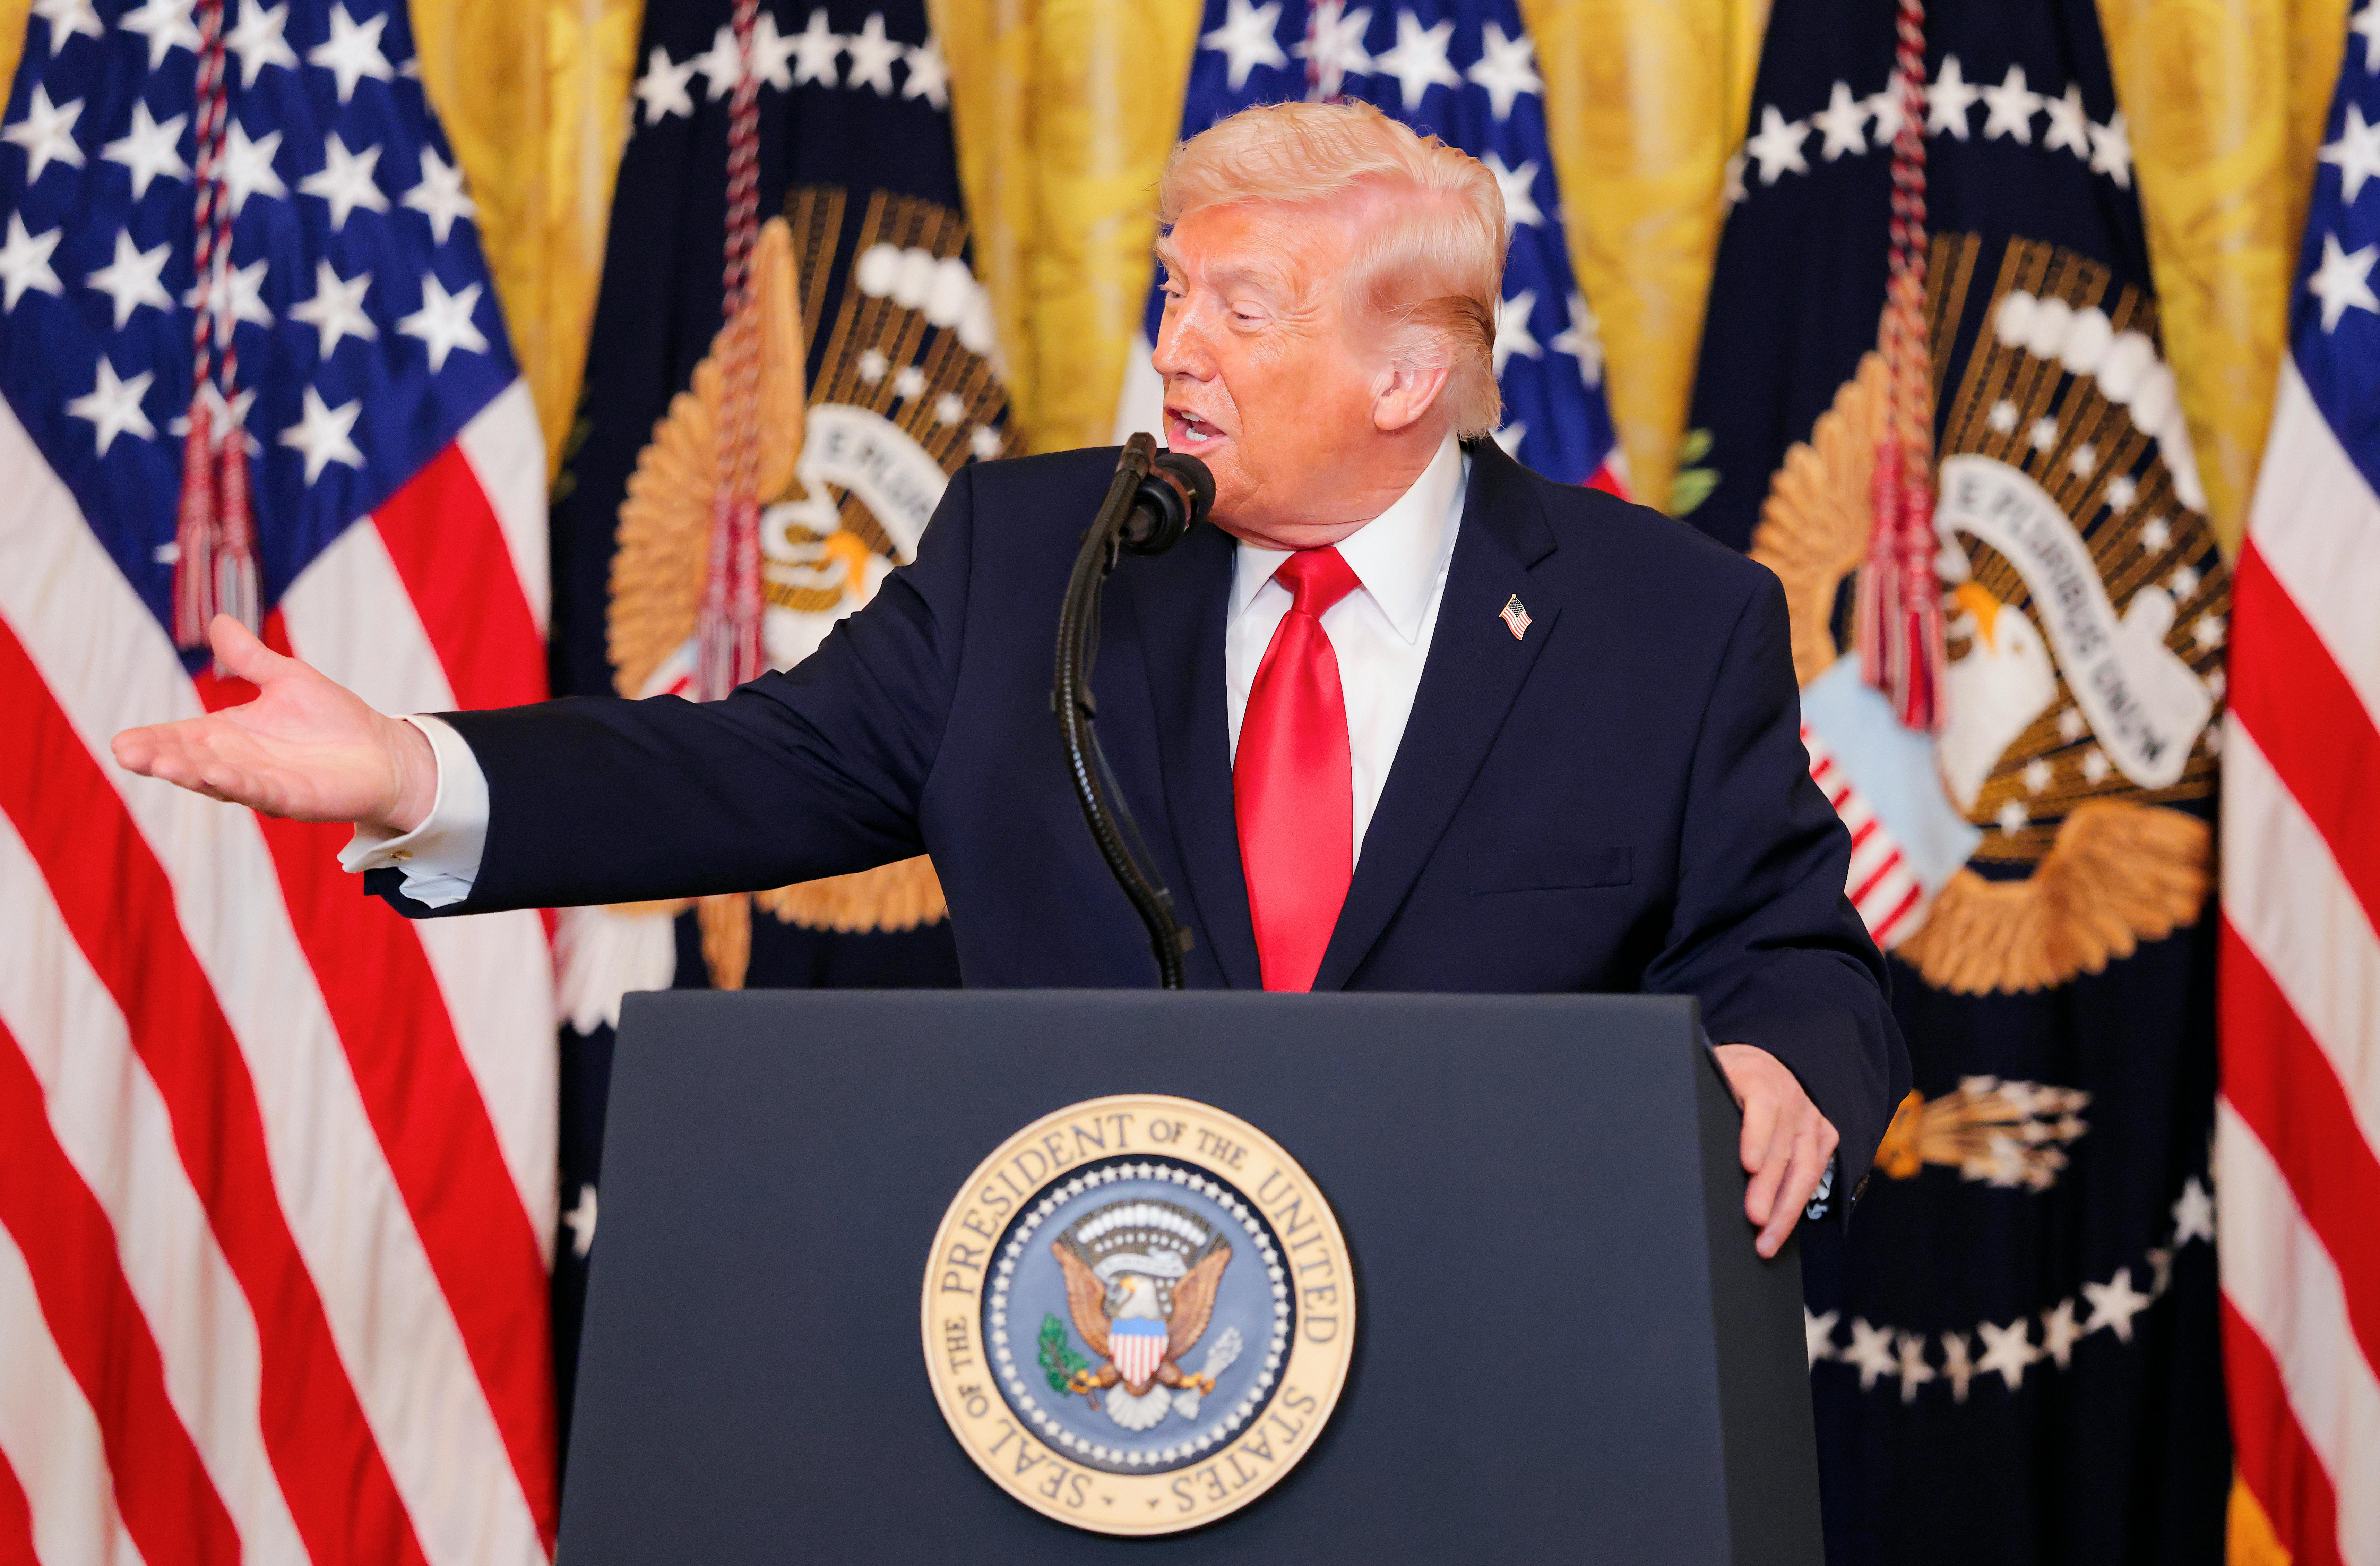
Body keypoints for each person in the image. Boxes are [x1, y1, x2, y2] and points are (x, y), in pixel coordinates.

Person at [113, 100, 1906, 1258]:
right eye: (1175, 295)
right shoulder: (1035, 557)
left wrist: (1781, 1067)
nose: (1177, 352)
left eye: (1244, 312)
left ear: (1404, 378)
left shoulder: (1668, 625)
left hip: (1495, 1382)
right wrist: (420, 773)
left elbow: (1799, 955)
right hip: (1091, 1349)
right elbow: (754, 767)